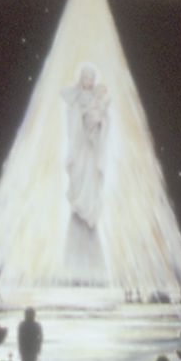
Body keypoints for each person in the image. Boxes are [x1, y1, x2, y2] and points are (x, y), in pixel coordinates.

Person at [62, 65, 109, 280]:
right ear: (81, 79)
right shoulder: (76, 100)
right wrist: (83, 118)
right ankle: (81, 207)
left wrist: (100, 122)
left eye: (92, 77)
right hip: (80, 150)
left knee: (90, 184)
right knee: (80, 180)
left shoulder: (98, 101)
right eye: (86, 77)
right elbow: (73, 124)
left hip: (91, 152)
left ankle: (88, 211)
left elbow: (104, 125)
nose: (89, 80)